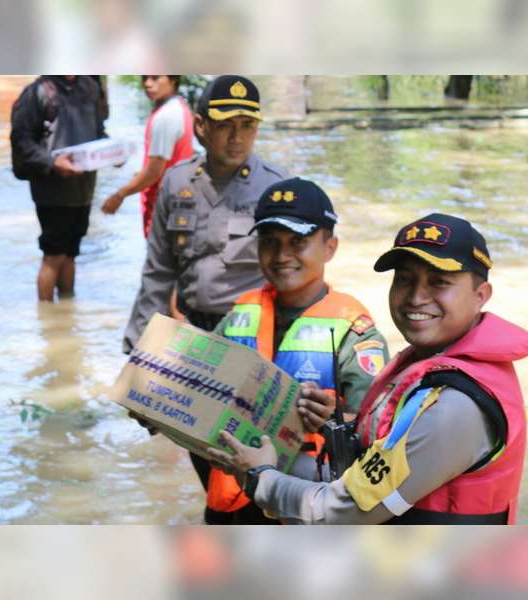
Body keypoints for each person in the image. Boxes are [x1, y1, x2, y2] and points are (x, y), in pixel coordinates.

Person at [209, 212, 528, 524]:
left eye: (439, 282)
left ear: (481, 296)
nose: (416, 297)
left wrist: (260, 478)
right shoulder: (427, 364)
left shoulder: (455, 405)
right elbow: (362, 475)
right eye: (405, 280)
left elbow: (342, 512)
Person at [123, 75, 287, 524]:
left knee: (254, 470)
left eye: (247, 125)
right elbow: (158, 271)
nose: (237, 137)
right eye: (225, 125)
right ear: (200, 126)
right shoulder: (177, 184)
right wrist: (140, 356)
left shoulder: (274, 189)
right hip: (193, 340)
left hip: (255, 343)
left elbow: (294, 276)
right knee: (208, 462)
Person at [205, 177, 389, 524]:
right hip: (234, 500)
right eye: (270, 242)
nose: (281, 256)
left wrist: (337, 421)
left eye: (297, 242)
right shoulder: (239, 316)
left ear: (330, 247)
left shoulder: (355, 332)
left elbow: (384, 436)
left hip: (304, 503)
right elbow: (197, 386)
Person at [10, 75, 107, 302]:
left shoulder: (90, 87)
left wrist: (112, 152)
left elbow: (99, 131)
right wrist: (52, 163)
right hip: (52, 192)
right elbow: (21, 140)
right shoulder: (38, 93)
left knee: (71, 253)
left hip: (84, 189)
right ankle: (46, 321)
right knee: (53, 255)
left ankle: (66, 316)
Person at [101, 75, 194, 238]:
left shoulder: (165, 116)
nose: (148, 84)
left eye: (156, 78)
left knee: (159, 260)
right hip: (178, 203)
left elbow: (153, 172)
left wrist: (119, 195)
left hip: (162, 208)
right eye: (145, 78)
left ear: (173, 80)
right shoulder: (180, 107)